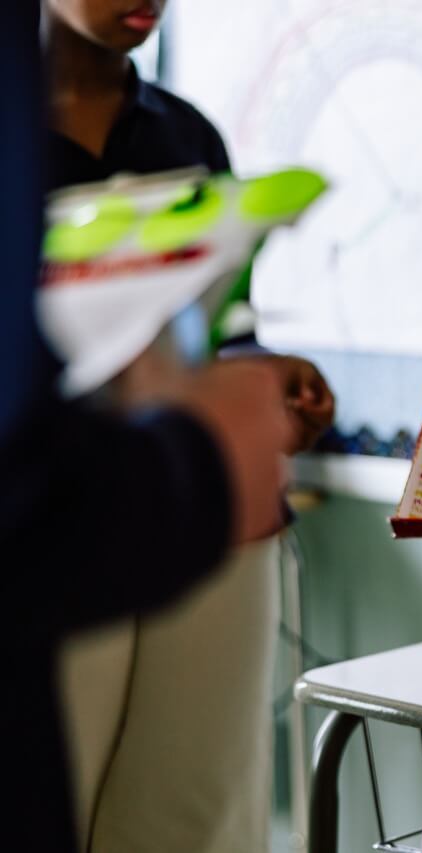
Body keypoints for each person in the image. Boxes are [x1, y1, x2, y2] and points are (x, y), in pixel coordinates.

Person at [41, 1, 335, 850]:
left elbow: (221, 329)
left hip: (204, 517)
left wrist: (270, 377)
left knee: (195, 804)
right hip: (58, 520)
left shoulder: (185, 135)